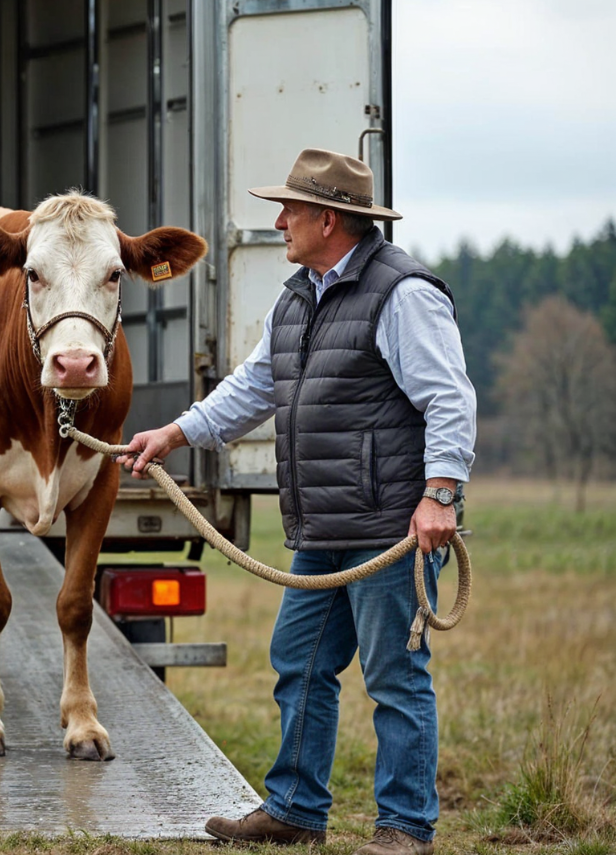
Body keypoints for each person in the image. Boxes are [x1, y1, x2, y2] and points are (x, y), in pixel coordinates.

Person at [119, 149, 475, 854]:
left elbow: (450, 399)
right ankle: (294, 810)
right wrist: (175, 433)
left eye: (289, 209)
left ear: (329, 218)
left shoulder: (402, 293)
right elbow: (254, 386)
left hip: (387, 527)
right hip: (321, 526)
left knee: (395, 678)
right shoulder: (298, 296)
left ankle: (405, 826)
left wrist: (439, 495)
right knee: (299, 662)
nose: (278, 221)